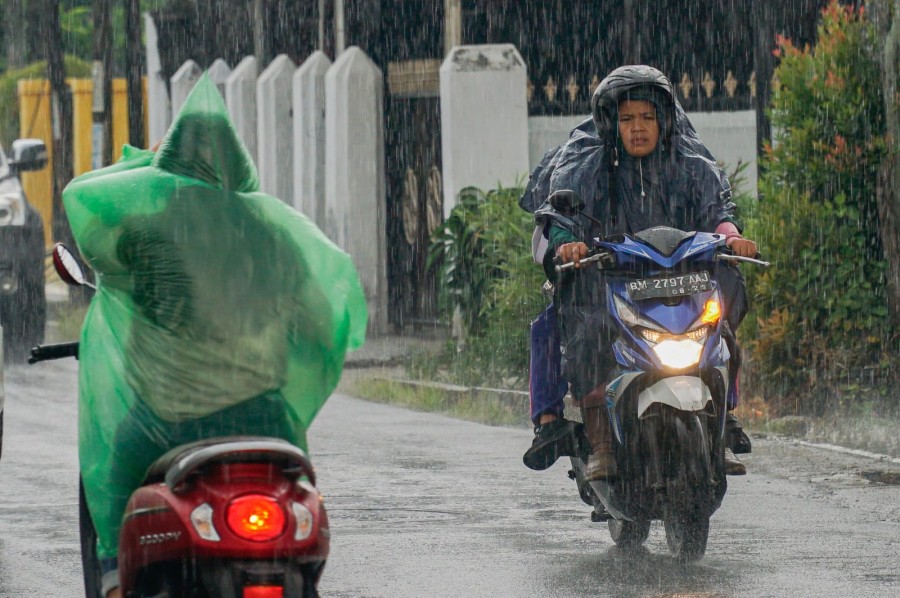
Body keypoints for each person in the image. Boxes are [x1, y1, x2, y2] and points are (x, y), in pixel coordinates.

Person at [61, 75, 367, 598]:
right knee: (299, 489)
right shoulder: (272, 234)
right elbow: (319, 323)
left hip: (165, 418)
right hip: (265, 418)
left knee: (107, 475)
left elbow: (96, 242)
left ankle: (113, 578)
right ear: (238, 164)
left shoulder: (147, 227)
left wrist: (142, 174)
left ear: (172, 166)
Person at [519, 65, 755, 481]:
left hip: (680, 285)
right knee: (586, 329)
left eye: (647, 117)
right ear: (613, 124)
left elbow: (719, 214)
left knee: (723, 313)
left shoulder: (692, 167)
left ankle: (723, 417)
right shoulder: (586, 169)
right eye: (627, 119)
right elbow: (561, 220)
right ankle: (602, 444)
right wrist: (568, 243)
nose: (638, 128)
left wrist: (732, 238)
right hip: (611, 286)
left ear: (664, 120)